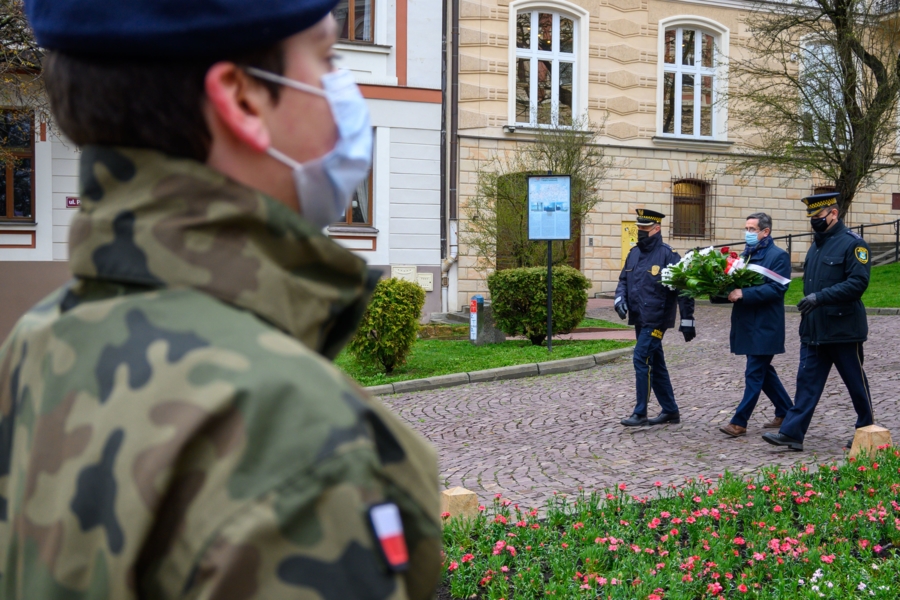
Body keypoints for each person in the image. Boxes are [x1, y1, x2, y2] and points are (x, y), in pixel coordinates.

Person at [0, 1, 442, 598]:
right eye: (326, 58)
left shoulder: (36, 343)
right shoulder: (299, 443)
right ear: (242, 99)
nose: (344, 91)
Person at [762, 193, 873, 452]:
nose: (815, 222)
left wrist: (820, 298)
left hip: (844, 329)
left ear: (833, 214)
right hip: (814, 329)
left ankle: (867, 430)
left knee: (856, 383)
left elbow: (858, 284)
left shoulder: (853, 245)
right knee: (807, 383)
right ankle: (792, 433)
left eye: (819, 217)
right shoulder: (817, 245)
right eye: (812, 218)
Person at [615, 209, 696, 427]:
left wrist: (687, 321)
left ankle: (640, 412)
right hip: (640, 318)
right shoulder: (633, 253)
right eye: (638, 228)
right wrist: (619, 299)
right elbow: (623, 280)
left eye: (644, 229)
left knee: (640, 358)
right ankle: (670, 410)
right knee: (656, 363)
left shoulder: (668, 255)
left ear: (656, 229)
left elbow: (684, 289)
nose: (640, 232)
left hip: (657, 320)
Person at [716, 213, 794, 437]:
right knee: (763, 372)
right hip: (748, 323)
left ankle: (739, 422)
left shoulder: (778, 256)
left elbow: (777, 289)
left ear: (765, 232)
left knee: (754, 373)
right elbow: (734, 285)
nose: (748, 233)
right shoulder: (745, 255)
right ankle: (786, 411)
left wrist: (744, 293)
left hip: (766, 324)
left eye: (752, 229)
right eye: (746, 229)